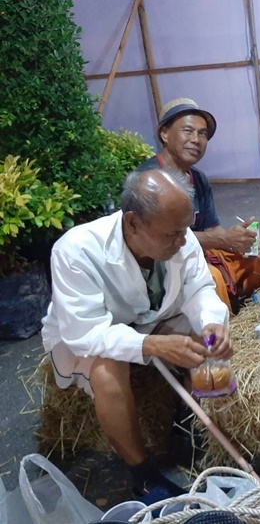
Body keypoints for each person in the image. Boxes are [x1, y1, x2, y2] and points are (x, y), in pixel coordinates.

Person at [42, 169, 232, 500]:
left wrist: (211, 322)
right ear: (132, 223)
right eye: (172, 234)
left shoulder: (179, 236)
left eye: (186, 230)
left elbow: (199, 287)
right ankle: (144, 476)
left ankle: (195, 427)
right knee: (107, 371)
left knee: (206, 345)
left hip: (150, 316)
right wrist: (151, 345)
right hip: (91, 332)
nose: (183, 241)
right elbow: (86, 332)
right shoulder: (75, 251)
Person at [136, 98, 260, 313]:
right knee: (210, 277)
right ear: (164, 134)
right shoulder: (147, 181)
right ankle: (223, 329)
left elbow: (212, 230)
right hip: (166, 262)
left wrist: (238, 241)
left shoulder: (198, 178)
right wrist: (224, 239)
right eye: (188, 131)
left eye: (202, 134)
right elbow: (160, 240)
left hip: (202, 253)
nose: (196, 140)